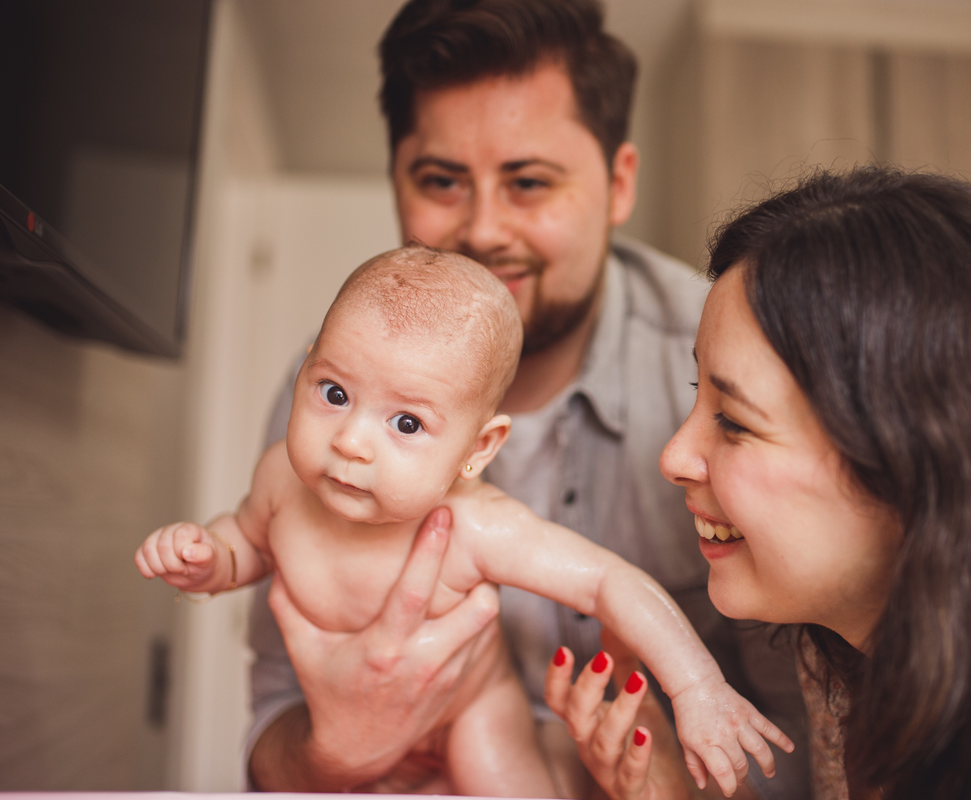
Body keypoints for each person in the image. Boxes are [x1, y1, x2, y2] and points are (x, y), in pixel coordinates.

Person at [245, 1, 811, 797]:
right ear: (397, 180)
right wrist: (337, 750)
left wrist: (673, 783)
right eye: (442, 180)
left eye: (529, 182)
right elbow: (270, 730)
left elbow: (817, 749)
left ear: (617, 185)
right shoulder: (334, 410)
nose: (482, 229)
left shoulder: (734, 376)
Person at [546, 166, 971, 800]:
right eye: (696, 395)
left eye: (734, 422)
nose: (675, 456)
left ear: (919, 459)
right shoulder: (846, 658)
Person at [136, 248, 791, 796]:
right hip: (339, 730)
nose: (352, 441)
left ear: (479, 450)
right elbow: (248, 539)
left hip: (473, 713)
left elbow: (608, 582)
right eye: (334, 393)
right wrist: (210, 557)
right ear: (306, 368)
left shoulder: (474, 525)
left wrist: (699, 687)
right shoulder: (281, 476)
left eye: (407, 423)